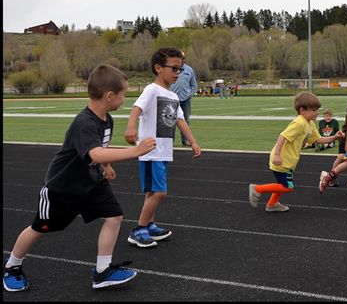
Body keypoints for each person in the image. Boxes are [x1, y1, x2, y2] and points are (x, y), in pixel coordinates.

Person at [3, 65, 157, 292]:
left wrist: (106, 165)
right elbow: (94, 152)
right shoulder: (84, 123)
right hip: (62, 187)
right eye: (123, 93)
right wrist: (136, 151)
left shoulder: (107, 120)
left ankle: (102, 271)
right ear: (109, 96)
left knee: (114, 216)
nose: (125, 98)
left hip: (91, 182)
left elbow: (98, 149)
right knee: (40, 228)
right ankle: (12, 266)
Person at [125, 47, 201, 248]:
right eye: (174, 68)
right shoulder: (151, 89)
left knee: (153, 192)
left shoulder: (174, 97)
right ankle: (138, 230)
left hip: (164, 152)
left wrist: (192, 141)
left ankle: (148, 225)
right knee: (159, 192)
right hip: (150, 152)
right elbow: (136, 108)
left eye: (180, 69)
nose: (178, 73)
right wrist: (131, 126)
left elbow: (181, 121)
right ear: (158, 68)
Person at [248, 92, 343, 212]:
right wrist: (277, 155)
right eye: (314, 110)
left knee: (282, 184)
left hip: (288, 160)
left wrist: (334, 137)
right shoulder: (299, 123)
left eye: (317, 110)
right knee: (287, 187)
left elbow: (319, 139)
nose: (317, 113)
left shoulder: (310, 123)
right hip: (282, 159)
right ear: (302, 110)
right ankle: (257, 189)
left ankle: (272, 204)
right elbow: (282, 136)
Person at [169, 51, 197, 146]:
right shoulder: (169, 69)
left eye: (182, 58)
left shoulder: (189, 70)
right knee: (170, 120)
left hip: (185, 100)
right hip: (172, 99)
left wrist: (190, 94)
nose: (181, 59)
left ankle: (186, 140)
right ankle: (170, 141)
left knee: (185, 120)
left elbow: (193, 85)